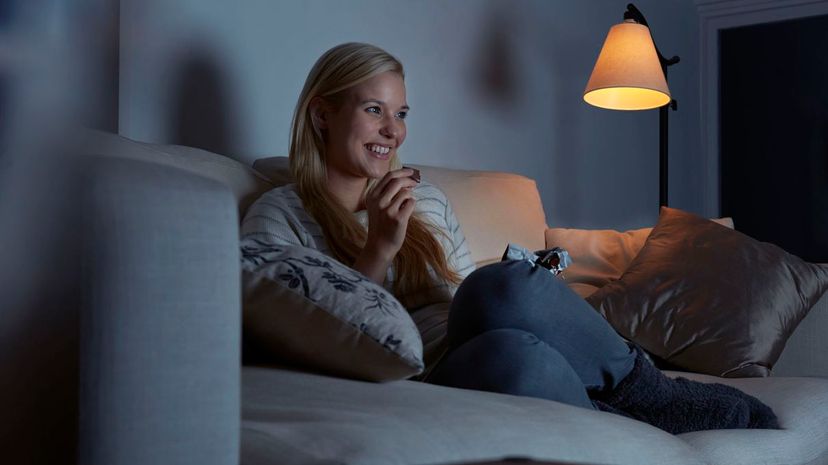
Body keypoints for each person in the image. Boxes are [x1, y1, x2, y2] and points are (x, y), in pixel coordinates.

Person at [240, 42, 779, 435]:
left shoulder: (424, 197)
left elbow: (461, 299)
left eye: (400, 113)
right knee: (515, 356)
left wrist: (515, 286)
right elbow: (317, 341)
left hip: (465, 328)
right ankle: (621, 421)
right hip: (423, 374)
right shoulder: (279, 216)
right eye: (373, 110)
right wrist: (378, 249)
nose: (393, 131)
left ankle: (653, 394)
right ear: (321, 115)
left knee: (496, 291)